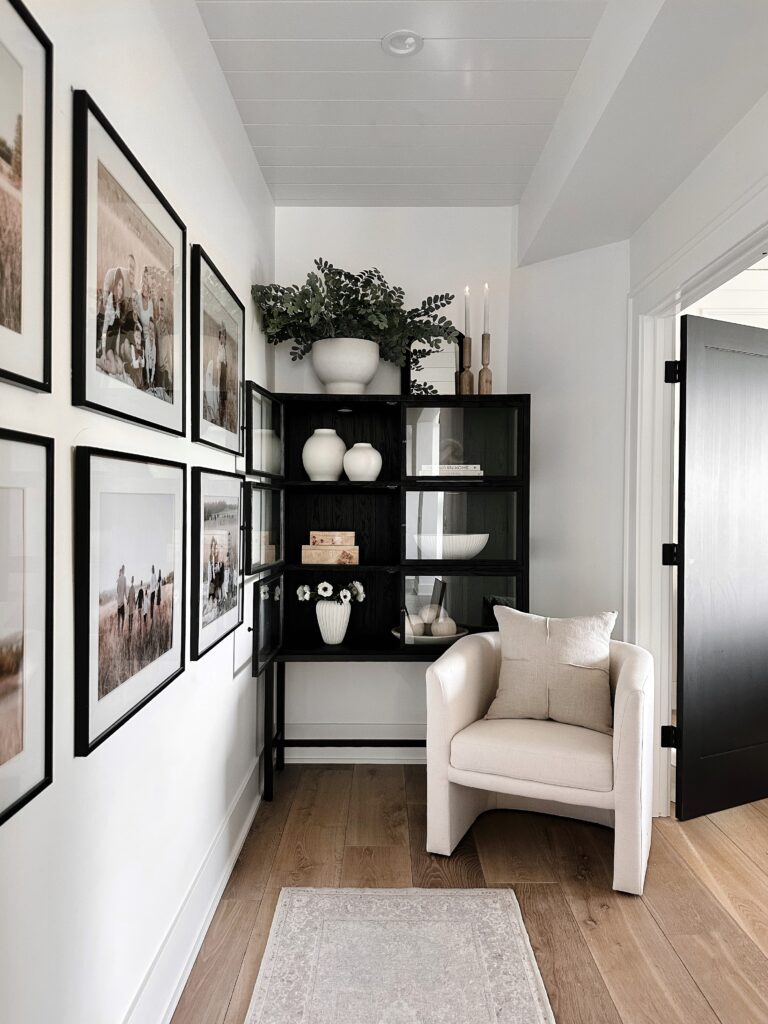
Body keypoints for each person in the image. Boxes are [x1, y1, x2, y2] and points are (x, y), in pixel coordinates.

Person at [100, 269, 125, 370]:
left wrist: (117, 352)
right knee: (114, 370)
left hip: (113, 346)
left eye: (122, 287)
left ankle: (111, 358)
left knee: (120, 368)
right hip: (107, 345)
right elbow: (105, 329)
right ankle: (98, 360)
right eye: (119, 285)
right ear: (114, 285)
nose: (120, 289)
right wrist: (103, 352)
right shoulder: (110, 301)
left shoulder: (119, 305)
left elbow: (118, 332)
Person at [155, 296, 172, 395]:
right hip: (159, 362)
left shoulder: (168, 326)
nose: (161, 311)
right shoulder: (156, 325)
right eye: (159, 309)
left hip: (167, 362)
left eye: (162, 309)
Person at [137, 267, 154, 337]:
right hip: (139, 333)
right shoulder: (138, 295)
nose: (145, 280)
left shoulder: (150, 300)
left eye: (147, 278)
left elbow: (151, 322)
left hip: (149, 335)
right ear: (142, 278)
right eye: (144, 277)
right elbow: (135, 318)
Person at [217, 325, 228, 427]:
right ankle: (220, 418)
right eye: (221, 336)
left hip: (224, 375)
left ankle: (223, 418)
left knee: (224, 397)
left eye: (224, 336)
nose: (222, 338)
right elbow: (218, 362)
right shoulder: (219, 349)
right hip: (220, 375)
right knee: (220, 396)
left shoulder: (225, 349)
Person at [145, 318, 157, 389]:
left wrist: (152, 379)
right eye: (150, 329)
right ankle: (148, 381)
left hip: (152, 366)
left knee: (153, 366)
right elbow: (147, 361)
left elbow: (154, 363)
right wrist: (148, 378)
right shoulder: (146, 342)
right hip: (146, 366)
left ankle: (152, 381)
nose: (151, 332)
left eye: (153, 330)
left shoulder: (154, 343)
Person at [116, 565, 127, 632]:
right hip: (122, 602)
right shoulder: (124, 578)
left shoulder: (119, 579)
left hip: (118, 603)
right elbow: (125, 590)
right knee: (123, 617)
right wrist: (126, 598)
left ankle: (118, 631)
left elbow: (117, 590)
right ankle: (122, 631)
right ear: (123, 570)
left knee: (118, 619)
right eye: (124, 570)